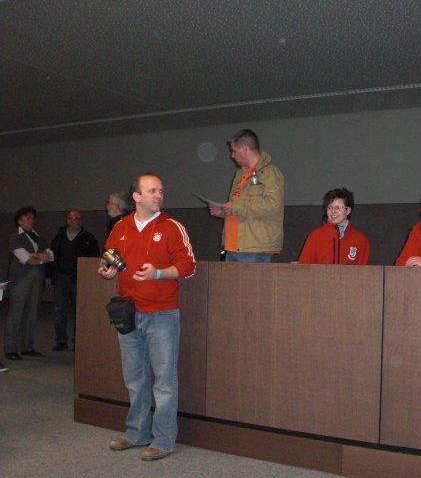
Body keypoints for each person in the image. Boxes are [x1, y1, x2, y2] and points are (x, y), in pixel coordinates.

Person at [98, 173, 196, 461]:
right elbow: (109, 257)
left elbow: (189, 266)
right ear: (136, 197)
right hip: (128, 312)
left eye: (161, 191)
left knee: (164, 381)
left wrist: (158, 273)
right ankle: (136, 433)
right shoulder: (121, 227)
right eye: (152, 191)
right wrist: (106, 270)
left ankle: (163, 440)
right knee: (135, 378)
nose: (158, 196)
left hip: (162, 313)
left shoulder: (172, 227)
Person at [208, 129, 284, 262]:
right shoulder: (240, 174)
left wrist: (234, 206)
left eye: (233, 151)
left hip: (254, 248)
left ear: (244, 149)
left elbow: (273, 205)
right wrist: (223, 211)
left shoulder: (270, 173)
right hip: (233, 246)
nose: (232, 156)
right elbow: (241, 209)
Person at [4, 206, 54, 360]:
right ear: (20, 221)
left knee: (32, 314)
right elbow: (26, 259)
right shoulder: (16, 237)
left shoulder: (37, 237)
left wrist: (35, 255)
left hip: (37, 279)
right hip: (20, 280)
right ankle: (10, 349)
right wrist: (39, 257)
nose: (31, 221)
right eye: (28, 218)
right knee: (16, 314)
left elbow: (50, 256)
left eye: (32, 218)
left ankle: (28, 347)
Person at [49, 210, 100, 351]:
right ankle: (61, 341)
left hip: (79, 279)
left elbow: (94, 257)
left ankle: (78, 341)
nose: (77, 221)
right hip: (61, 278)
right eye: (74, 218)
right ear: (68, 220)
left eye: (79, 218)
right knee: (60, 310)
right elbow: (52, 258)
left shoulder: (88, 238)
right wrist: (49, 276)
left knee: (80, 311)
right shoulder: (59, 238)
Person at [298, 187, 370, 264]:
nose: (333, 211)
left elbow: (362, 270)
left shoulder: (360, 239)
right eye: (330, 207)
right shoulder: (315, 236)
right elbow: (303, 268)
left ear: (348, 210)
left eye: (338, 207)